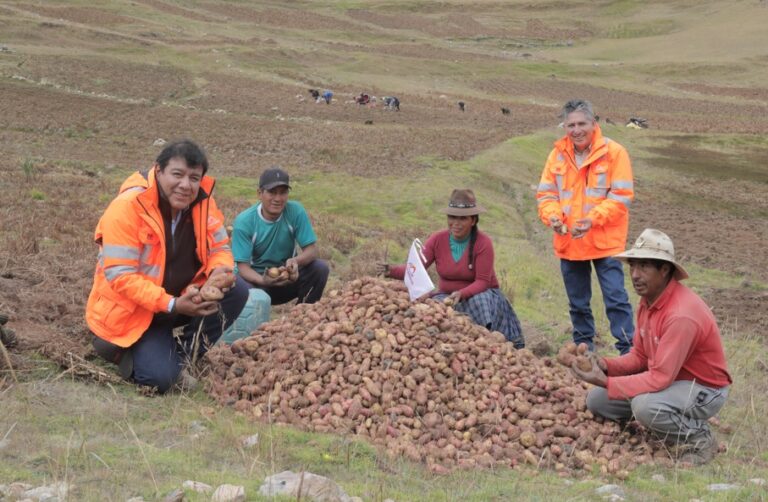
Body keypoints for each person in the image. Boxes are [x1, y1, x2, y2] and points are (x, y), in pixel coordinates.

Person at [86, 140, 249, 393]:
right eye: (177, 174)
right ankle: (118, 349)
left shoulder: (203, 203)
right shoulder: (128, 207)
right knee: (160, 380)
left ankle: (182, 355)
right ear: (158, 170)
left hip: (179, 299)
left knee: (237, 290)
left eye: (194, 178)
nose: (186, 185)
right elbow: (121, 276)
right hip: (135, 311)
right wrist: (171, 304)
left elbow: (220, 249)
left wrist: (219, 272)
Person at [571, 229, 732, 466]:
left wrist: (606, 381)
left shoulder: (681, 315)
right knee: (597, 400)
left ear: (665, 270)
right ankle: (652, 428)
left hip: (704, 389)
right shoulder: (648, 301)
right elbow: (640, 356)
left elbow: (659, 378)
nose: (635, 275)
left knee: (646, 407)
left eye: (644, 266)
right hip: (670, 380)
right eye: (632, 266)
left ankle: (699, 437)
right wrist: (605, 365)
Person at [536, 99, 635, 354]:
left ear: (594, 123)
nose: (576, 130)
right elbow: (547, 195)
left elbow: (621, 197)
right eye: (571, 125)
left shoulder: (615, 153)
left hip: (605, 242)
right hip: (570, 241)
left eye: (581, 123)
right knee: (578, 302)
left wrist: (592, 220)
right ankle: (584, 350)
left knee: (615, 298)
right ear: (564, 126)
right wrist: (553, 218)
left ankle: (628, 351)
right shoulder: (556, 154)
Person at [379, 189, 524, 348]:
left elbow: (483, 281)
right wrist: (391, 271)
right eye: (452, 217)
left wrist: (462, 293)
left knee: (479, 300)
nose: (456, 223)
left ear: (473, 220)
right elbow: (416, 268)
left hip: (482, 297)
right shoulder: (437, 240)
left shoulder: (483, 243)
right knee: (434, 309)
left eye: (462, 218)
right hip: (447, 297)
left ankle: (483, 345)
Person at [232, 167, 329, 305]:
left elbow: (311, 251)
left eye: (283, 193)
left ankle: (302, 315)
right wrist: (263, 280)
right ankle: (253, 322)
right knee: (239, 285)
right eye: (272, 192)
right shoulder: (244, 221)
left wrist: (295, 261)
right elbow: (243, 268)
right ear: (260, 193)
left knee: (320, 268)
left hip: (287, 279)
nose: (277, 199)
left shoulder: (295, 211)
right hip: (257, 282)